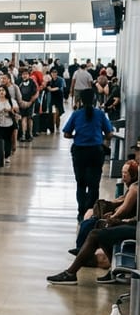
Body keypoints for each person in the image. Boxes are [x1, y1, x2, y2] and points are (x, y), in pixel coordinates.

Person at [63, 88, 115, 220]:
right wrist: (98, 135)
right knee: (94, 184)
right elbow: (109, 134)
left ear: (80, 100)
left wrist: (77, 135)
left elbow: (66, 133)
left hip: (79, 151)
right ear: (95, 100)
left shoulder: (76, 114)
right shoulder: (100, 114)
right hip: (96, 151)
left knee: (81, 184)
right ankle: (91, 212)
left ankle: (81, 213)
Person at [0, 84, 20, 165]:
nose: (1, 92)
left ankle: (7, 156)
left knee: (8, 140)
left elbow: (16, 110)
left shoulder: (11, 101)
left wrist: (10, 110)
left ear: (6, 91)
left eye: (3, 90)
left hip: (9, 123)